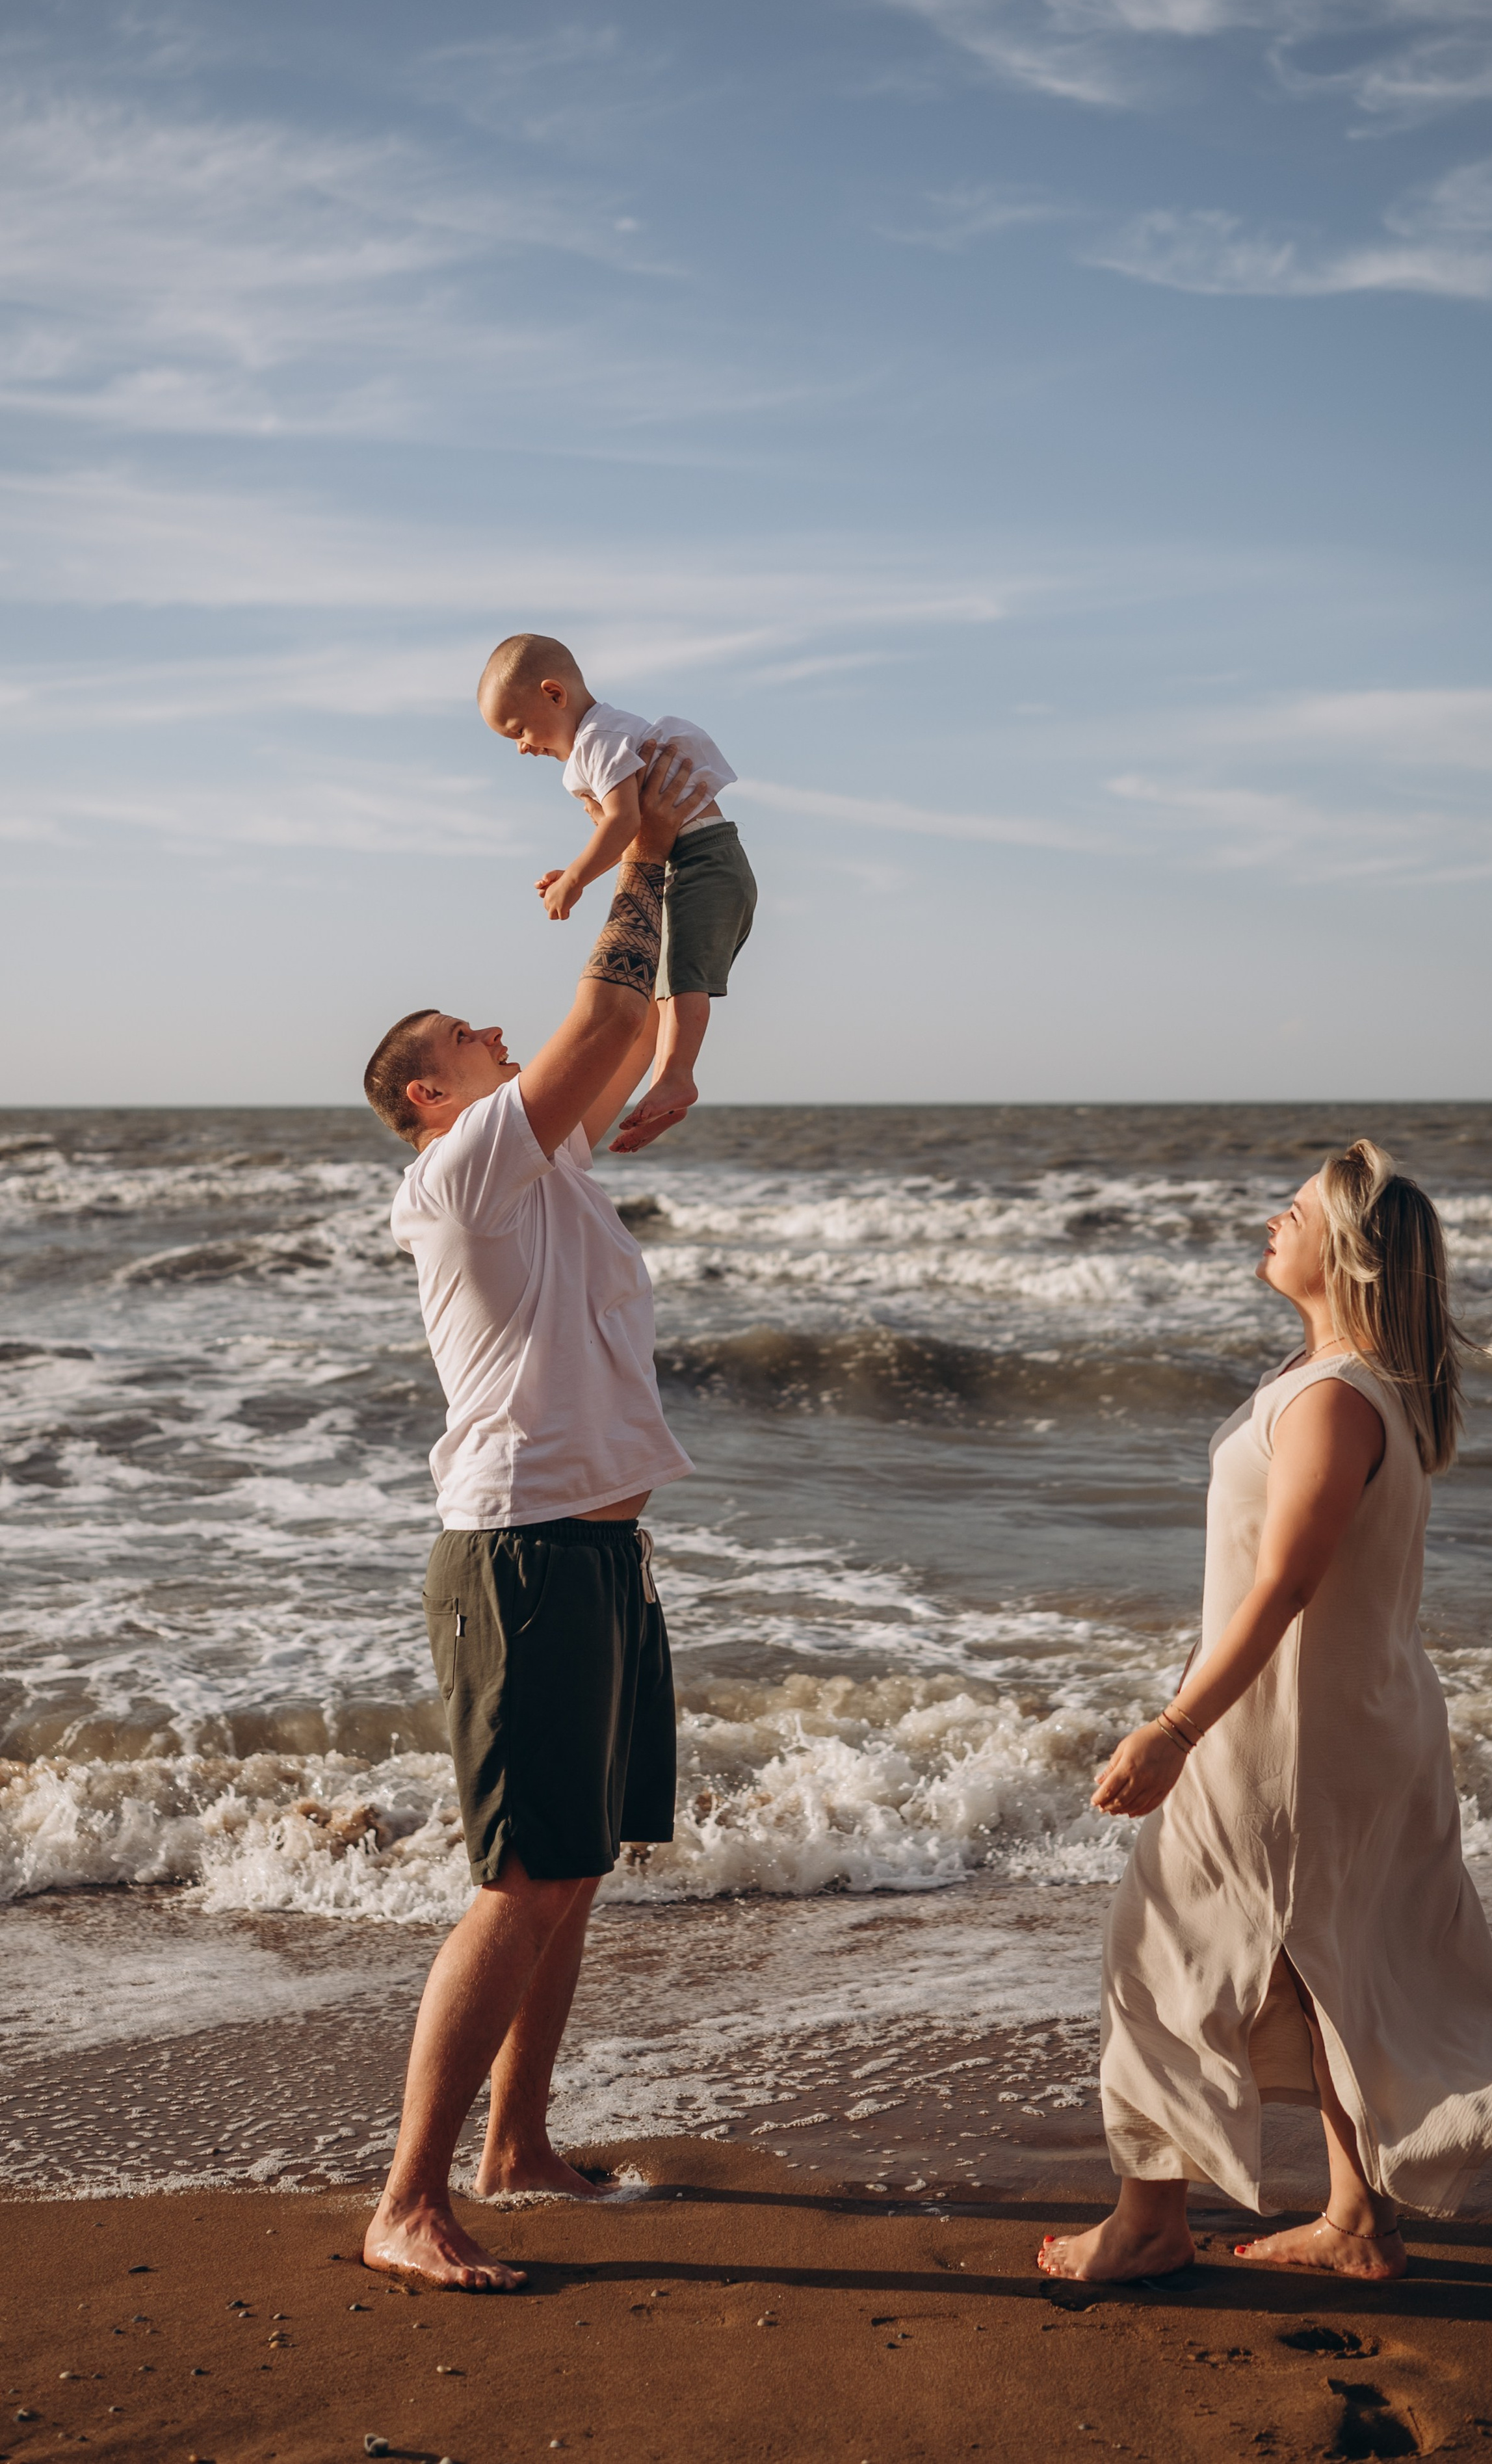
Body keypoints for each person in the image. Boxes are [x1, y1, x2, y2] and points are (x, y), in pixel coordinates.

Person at [1038, 1140, 1492, 2287]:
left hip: (1286, 1743)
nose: (1270, 1223)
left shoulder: (1336, 1399)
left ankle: (1148, 2219)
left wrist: (1174, 1729)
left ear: (1350, 1254)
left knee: (1158, 1952)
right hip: (1354, 1722)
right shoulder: (1340, 1378)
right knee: (1334, 1966)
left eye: (1294, 1213)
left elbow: (1283, 1586)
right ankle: (1358, 2221)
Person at [356, 744, 713, 2292]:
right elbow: (604, 1017)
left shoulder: (540, 1163)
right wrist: (631, 847)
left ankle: (518, 2146)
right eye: (464, 1034)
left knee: (573, 1864)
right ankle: (407, 2199)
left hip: (591, 1544)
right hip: (519, 1549)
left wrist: (661, 855)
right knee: (522, 1879)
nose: (497, 1034)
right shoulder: (459, 1168)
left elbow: (630, 1047)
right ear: (425, 1093)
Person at [477, 631, 758, 1155]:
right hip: (695, 860)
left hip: (705, 860)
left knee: (685, 976)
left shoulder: (598, 739)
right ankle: (667, 1079)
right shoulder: (601, 738)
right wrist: (579, 865)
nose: (522, 745)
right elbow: (630, 834)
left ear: (554, 695)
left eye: (519, 728)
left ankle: (677, 1075)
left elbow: (628, 822)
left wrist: (576, 878)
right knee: (667, 984)